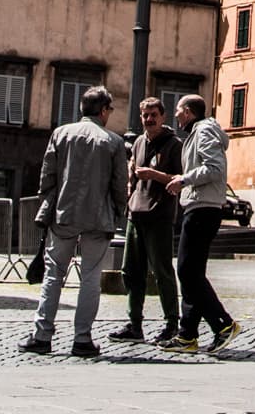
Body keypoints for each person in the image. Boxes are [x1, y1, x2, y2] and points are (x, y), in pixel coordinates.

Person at [20, 84, 128, 358]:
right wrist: (118, 212)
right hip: (98, 217)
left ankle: (42, 335)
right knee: (91, 277)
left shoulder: (61, 133)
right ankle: (82, 339)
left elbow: (47, 176)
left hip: (64, 215)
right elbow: (119, 185)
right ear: (104, 110)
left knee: (53, 275)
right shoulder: (113, 142)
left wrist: (50, 202)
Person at [150, 93, 240, 354]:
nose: (175, 115)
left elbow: (215, 168)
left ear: (188, 112)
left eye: (178, 110)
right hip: (200, 206)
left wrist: (183, 179)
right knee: (191, 273)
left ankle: (223, 324)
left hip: (203, 208)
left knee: (187, 271)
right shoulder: (199, 132)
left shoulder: (203, 132)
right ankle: (187, 335)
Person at [111, 96, 183, 344]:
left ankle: (172, 323)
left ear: (163, 117)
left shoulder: (174, 145)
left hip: (159, 216)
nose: (149, 119)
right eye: (145, 115)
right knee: (131, 271)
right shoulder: (139, 143)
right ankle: (134, 324)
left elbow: (180, 179)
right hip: (136, 215)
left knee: (162, 271)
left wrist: (154, 174)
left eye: (153, 115)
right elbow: (131, 177)